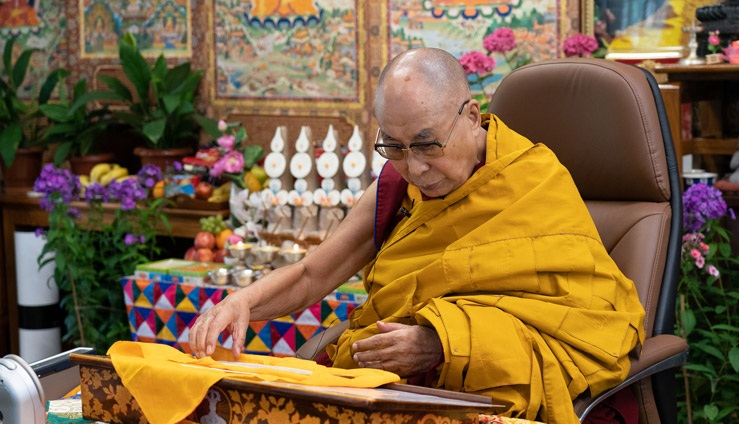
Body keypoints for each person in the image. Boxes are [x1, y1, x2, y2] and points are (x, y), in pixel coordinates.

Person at [190, 47, 646, 423]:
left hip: (493, 393)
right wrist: (242, 302)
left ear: (471, 116)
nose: (416, 167)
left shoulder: (535, 182)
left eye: (428, 144)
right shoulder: (396, 185)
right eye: (394, 146)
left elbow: (591, 324)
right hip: (393, 388)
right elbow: (312, 274)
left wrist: (441, 344)